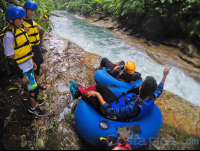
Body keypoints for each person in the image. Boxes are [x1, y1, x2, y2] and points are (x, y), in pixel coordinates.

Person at [69, 67, 172, 121]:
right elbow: (159, 90)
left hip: (111, 114)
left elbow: (110, 111)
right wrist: (165, 75)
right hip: (117, 103)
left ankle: (79, 90)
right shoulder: (151, 97)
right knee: (101, 87)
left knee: (91, 96)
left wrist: (97, 95)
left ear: (140, 87)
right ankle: (78, 92)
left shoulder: (133, 107)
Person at [0, 6, 45, 116]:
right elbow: (11, 60)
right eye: (19, 19)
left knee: (29, 88)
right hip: (22, 69)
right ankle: (33, 108)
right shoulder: (9, 36)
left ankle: (31, 101)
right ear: (11, 20)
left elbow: (26, 49)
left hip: (28, 65)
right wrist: (22, 76)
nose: (22, 21)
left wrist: (32, 62)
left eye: (22, 18)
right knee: (34, 89)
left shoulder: (20, 30)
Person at [23, 1, 46, 91]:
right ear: (25, 9)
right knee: (28, 68)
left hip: (36, 46)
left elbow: (34, 31)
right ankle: (27, 88)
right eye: (31, 10)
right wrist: (22, 31)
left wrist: (38, 28)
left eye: (33, 11)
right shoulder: (19, 21)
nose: (32, 12)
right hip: (27, 48)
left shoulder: (33, 19)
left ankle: (37, 82)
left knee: (38, 62)